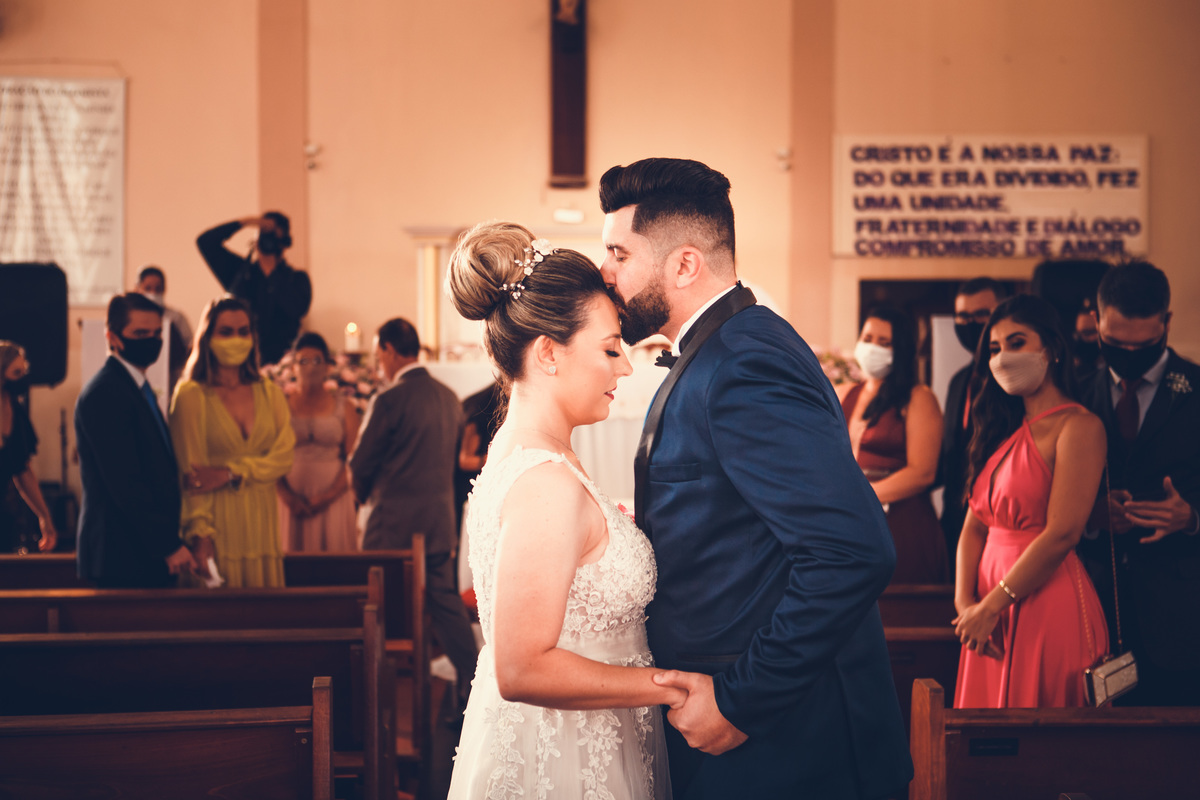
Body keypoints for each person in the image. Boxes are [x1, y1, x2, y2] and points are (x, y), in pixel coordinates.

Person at [600, 158, 911, 799]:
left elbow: (851, 551)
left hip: (787, 742)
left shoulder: (744, 362)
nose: (605, 274)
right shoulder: (722, 350)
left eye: (618, 253)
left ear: (685, 264)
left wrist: (742, 703)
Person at [445, 222, 679, 799]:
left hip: (580, 737)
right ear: (548, 353)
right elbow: (522, 666)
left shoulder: (531, 454)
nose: (624, 367)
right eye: (608, 348)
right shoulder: (544, 480)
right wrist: (668, 687)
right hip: (566, 763)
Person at [953, 294, 1110, 708]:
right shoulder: (1004, 430)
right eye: (995, 348)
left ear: (1052, 349)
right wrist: (965, 603)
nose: (1003, 357)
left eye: (1017, 343)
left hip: (1044, 597)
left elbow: (1063, 534)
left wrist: (991, 605)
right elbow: (973, 526)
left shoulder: (1079, 427)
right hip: (987, 609)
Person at [1079, 260, 1200, 706]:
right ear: (1096, 321)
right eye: (1114, 343)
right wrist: (1090, 516)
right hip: (1094, 602)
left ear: (1166, 324)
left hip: (1180, 615)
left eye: (1144, 344)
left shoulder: (1198, 392)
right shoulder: (1074, 393)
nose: (1128, 354)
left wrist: (1191, 517)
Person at [349, 318, 478, 708]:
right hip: (438, 523)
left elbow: (359, 465)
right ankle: (474, 683)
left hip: (391, 527)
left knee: (377, 607)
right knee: (444, 604)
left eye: (378, 355)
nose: (378, 364)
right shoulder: (447, 397)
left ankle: (374, 696)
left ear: (389, 350)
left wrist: (363, 499)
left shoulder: (388, 400)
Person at [169, 296, 295, 587]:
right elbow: (192, 476)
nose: (236, 340)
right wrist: (201, 534)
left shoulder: (269, 393)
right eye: (225, 332)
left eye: (243, 332)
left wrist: (230, 473)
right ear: (207, 337)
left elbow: (283, 458)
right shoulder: (191, 395)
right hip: (216, 527)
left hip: (261, 523)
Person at [74, 294, 195, 587]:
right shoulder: (106, 393)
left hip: (139, 549)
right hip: (120, 554)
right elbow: (125, 482)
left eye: (156, 333)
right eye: (140, 333)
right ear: (113, 337)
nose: (152, 341)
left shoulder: (134, 386)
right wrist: (167, 544)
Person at [837, 305, 947, 583]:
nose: (873, 348)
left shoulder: (919, 398)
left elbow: (922, 472)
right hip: (851, 517)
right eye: (868, 339)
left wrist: (863, 497)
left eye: (884, 343)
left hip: (899, 518)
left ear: (901, 350)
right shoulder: (845, 392)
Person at [939, 277, 1004, 573]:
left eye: (981, 315)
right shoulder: (958, 381)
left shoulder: (1011, 380)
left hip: (998, 524)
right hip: (955, 520)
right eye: (963, 316)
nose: (970, 323)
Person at [277, 332, 359, 552]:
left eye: (317, 361)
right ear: (293, 367)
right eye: (303, 361)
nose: (310, 367)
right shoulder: (279, 406)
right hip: (289, 499)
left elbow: (353, 459)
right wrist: (287, 497)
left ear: (327, 367)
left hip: (334, 498)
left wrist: (328, 496)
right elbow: (268, 456)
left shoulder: (345, 407)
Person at [196, 212, 312, 365]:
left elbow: (297, 309)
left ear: (284, 242)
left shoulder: (297, 278)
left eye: (273, 235)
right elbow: (205, 242)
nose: (268, 239)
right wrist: (245, 222)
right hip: (242, 359)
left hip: (283, 362)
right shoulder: (239, 272)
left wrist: (272, 274)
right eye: (264, 234)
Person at [0, 342, 58, 554]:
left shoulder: (16, 410)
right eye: (17, 373)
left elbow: (23, 472)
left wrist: (45, 517)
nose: (22, 379)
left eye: (24, 372)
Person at [134, 264, 193, 392]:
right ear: (137, 288)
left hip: (172, 380)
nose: (153, 293)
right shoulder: (131, 318)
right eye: (148, 288)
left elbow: (190, 346)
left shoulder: (176, 318)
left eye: (158, 288)